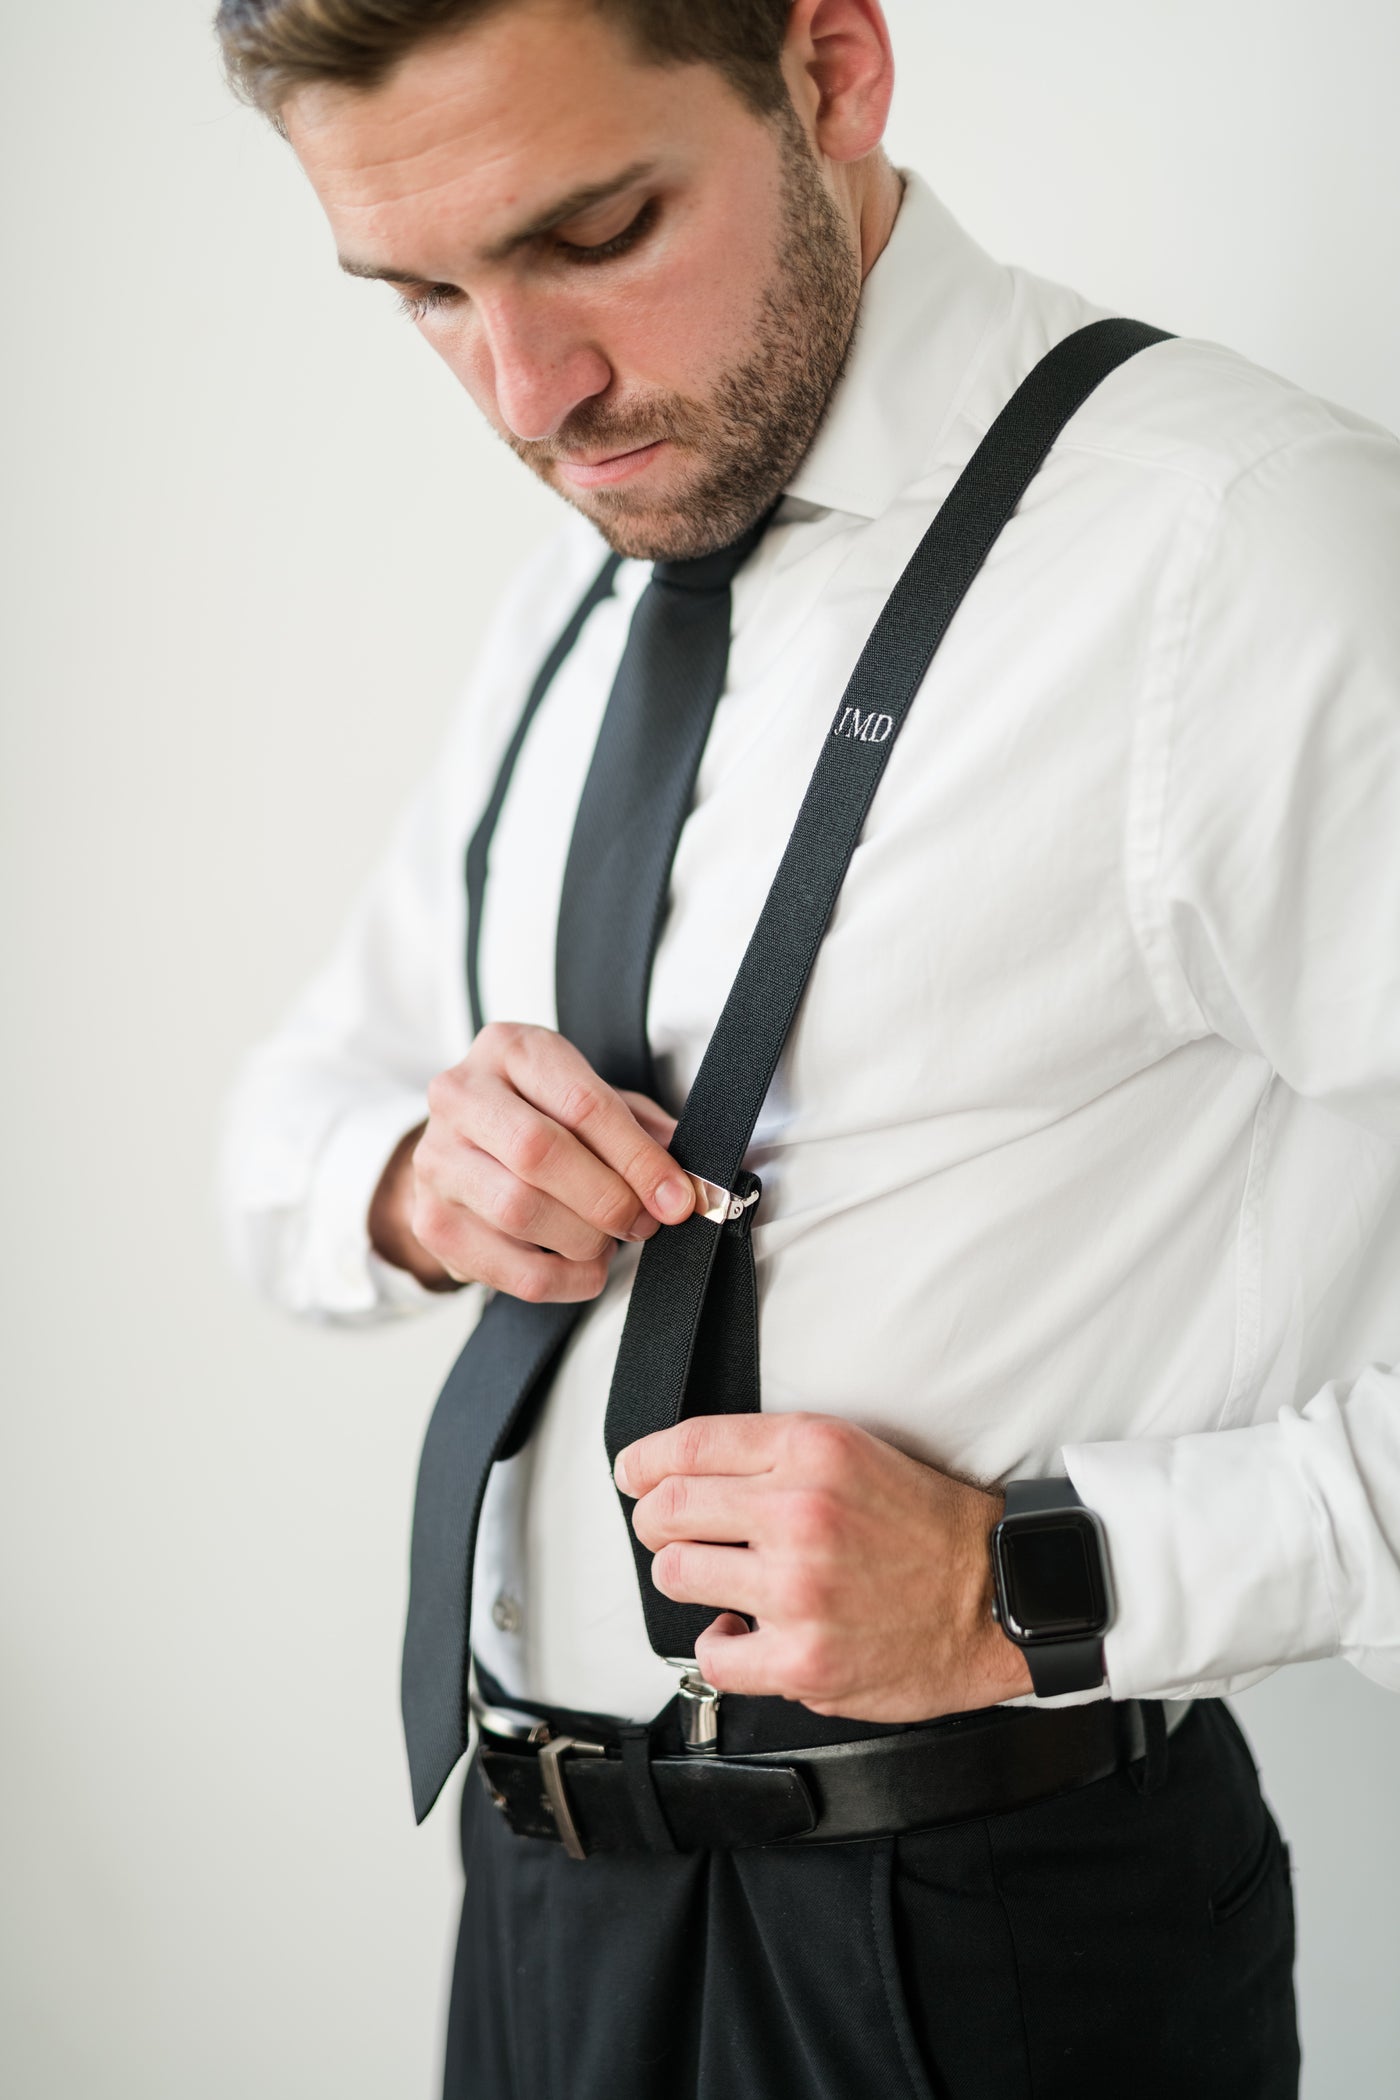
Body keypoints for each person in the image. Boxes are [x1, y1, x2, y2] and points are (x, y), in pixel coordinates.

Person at [214, 1, 1400, 2094]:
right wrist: (421, 1179)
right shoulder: (579, 598)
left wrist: (1038, 1576)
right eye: (422, 292)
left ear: (828, 72)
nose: (524, 390)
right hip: (539, 1909)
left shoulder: (1246, 554)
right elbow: (288, 1129)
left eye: (593, 230)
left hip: (977, 1957)